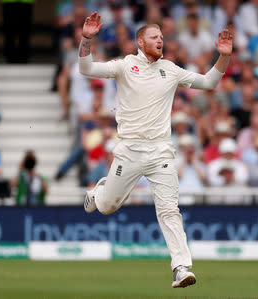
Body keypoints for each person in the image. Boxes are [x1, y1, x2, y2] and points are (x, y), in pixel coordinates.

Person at [79, 12, 233, 288]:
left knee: (168, 209)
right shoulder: (126, 65)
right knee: (106, 206)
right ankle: (99, 192)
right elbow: (87, 69)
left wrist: (223, 56)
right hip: (129, 150)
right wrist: (87, 38)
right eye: (154, 37)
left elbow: (209, 83)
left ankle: (181, 267)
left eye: (162, 37)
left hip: (161, 151)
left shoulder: (171, 70)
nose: (160, 40)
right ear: (140, 42)